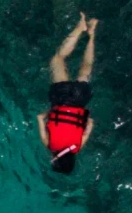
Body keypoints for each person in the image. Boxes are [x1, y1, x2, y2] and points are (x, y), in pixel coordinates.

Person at [37, 14, 97, 173]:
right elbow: (39, 117)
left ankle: (92, 34)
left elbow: (90, 124)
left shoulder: (78, 147)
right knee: (57, 59)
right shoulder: (48, 144)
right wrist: (48, 114)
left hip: (80, 98)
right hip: (60, 97)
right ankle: (80, 28)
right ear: (54, 159)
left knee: (86, 66)